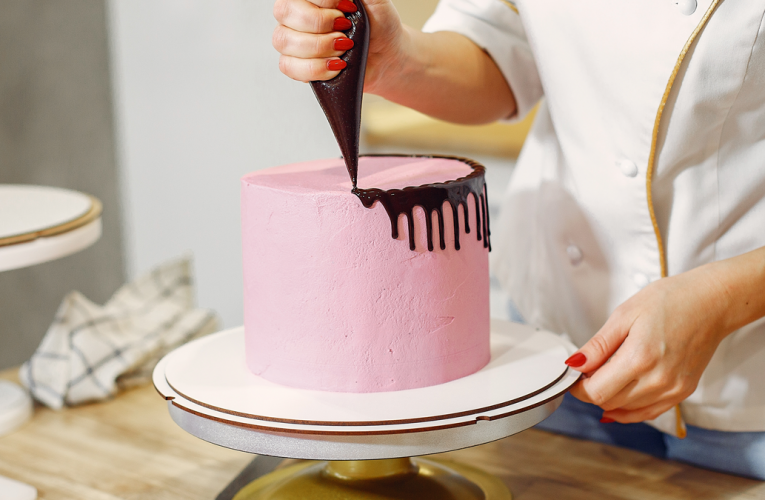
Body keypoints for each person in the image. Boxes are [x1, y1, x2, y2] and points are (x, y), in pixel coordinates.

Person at [271, 0, 765, 479]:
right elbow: (504, 50)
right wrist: (398, 60)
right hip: (558, 358)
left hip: (749, 383)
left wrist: (723, 299)